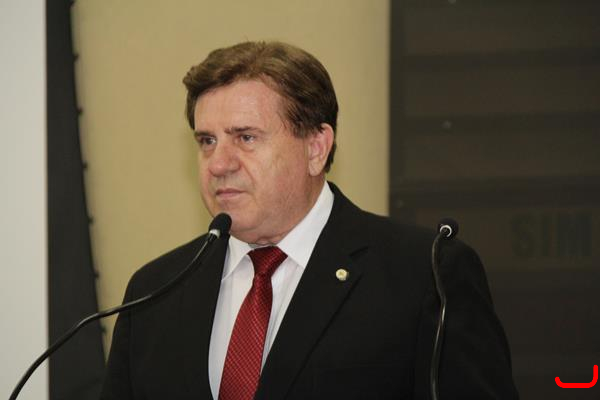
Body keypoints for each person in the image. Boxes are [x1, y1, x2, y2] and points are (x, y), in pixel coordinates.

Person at [101, 41, 519, 399]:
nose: (219, 163)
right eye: (207, 141)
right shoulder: (154, 292)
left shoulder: (426, 275)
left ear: (316, 149)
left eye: (246, 137)